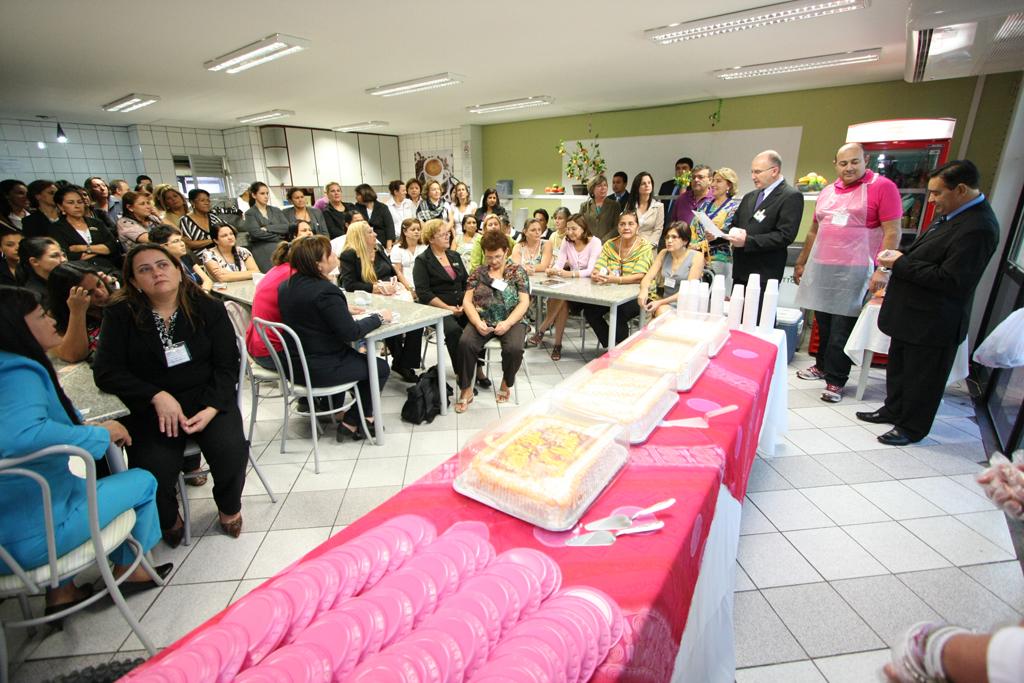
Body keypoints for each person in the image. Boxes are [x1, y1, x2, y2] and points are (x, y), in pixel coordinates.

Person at [0, 286, 170, 614]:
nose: (52, 321)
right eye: (42, 315)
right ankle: (130, 571)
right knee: (143, 481)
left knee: (71, 488)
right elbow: (22, 435)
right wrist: (98, 435)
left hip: (16, 526)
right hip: (32, 538)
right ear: (16, 326)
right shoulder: (17, 371)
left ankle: (61, 593)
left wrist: (79, 425)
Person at [93, 244, 248, 546]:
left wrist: (214, 406)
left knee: (231, 450)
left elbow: (227, 364)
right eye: (144, 269)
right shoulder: (121, 314)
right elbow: (106, 371)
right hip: (152, 407)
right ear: (135, 282)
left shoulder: (208, 308)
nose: (156, 273)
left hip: (206, 398)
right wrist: (155, 395)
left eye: (162, 265)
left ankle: (229, 508)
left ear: (178, 271)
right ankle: (169, 519)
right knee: (154, 468)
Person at [861, 159, 1000, 446]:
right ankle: (894, 409)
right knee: (900, 368)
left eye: (937, 193)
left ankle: (912, 427)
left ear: (960, 189)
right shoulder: (951, 215)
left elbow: (952, 280)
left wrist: (900, 263)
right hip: (912, 314)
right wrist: (900, 256)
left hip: (935, 319)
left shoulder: (979, 227)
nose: (932, 200)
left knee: (923, 378)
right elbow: (926, 253)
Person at [794, 143, 902, 403]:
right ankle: (821, 366)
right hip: (823, 266)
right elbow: (813, 230)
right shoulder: (828, 191)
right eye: (843, 163)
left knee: (843, 326)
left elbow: (892, 231)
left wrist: (883, 269)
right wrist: (802, 260)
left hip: (855, 269)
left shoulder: (882, 187)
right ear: (835, 165)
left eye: (854, 162)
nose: (849, 168)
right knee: (823, 322)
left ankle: (836, 380)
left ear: (866, 160)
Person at [277, 235, 392, 441]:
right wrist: (378, 317)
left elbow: (312, 314)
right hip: (320, 367)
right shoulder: (326, 291)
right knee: (380, 367)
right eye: (329, 254)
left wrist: (341, 310)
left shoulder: (286, 286)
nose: (334, 255)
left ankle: (363, 416)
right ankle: (354, 420)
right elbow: (351, 333)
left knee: (359, 360)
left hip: (294, 366)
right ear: (317, 264)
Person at [455, 230, 531, 411]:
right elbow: (467, 301)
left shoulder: (517, 272)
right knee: (465, 343)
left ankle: (507, 381)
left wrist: (508, 323)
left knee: (514, 348)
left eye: (497, 256)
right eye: (489, 257)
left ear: (506, 251)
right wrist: (476, 321)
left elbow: (524, 302)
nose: (494, 261)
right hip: (483, 318)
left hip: (512, 319)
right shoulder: (478, 272)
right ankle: (466, 388)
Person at [341, 222, 422, 383]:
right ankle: (402, 364)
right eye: (370, 232)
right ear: (360, 237)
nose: (375, 235)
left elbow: (392, 270)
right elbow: (349, 285)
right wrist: (376, 288)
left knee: (418, 322)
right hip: (370, 301)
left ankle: (403, 362)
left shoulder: (378, 248)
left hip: (393, 296)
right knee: (390, 323)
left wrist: (396, 284)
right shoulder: (349, 255)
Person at [724, 150, 804, 304]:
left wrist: (748, 241)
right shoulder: (750, 197)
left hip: (765, 272)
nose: (753, 176)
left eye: (758, 172)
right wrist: (721, 234)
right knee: (737, 318)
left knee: (760, 320)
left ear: (774, 171)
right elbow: (735, 224)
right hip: (741, 270)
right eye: (752, 172)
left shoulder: (790, 196)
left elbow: (785, 235)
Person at [530, 213, 601, 360]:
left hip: (589, 289)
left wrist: (571, 274)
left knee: (561, 297)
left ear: (584, 228)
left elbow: (591, 270)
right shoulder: (566, 241)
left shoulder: (595, 242)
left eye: (574, 229)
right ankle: (557, 345)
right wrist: (553, 270)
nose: (569, 232)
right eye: (568, 229)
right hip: (570, 286)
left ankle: (542, 329)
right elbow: (560, 263)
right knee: (562, 300)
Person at [413, 219, 478, 377]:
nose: (447, 236)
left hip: (461, 304)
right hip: (438, 308)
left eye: (448, 233)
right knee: (454, 331)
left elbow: (466, 282)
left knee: (478, 323)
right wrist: (448, 309)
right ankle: (462, 374)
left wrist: (467, 303)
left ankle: (479, 369)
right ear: (431, 238)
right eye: (442, 234)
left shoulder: (454, 255)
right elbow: (424, 293)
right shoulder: (422, 260)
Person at [582, 211, 654, 347]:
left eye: (631, 224)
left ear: (637, 227)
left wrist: (615, 280)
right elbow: (598, 267)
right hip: (611, 293)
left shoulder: (645, 247)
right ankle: (612, 346)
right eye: (622, 224)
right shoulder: (609, 245)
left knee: (618, 313)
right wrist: (597, 274)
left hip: (639, 294)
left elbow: (639, 276)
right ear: (618, 227)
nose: (626, 227)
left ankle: (620, 351)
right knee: (590, 311)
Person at [46, 262, 113, 362]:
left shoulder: (119, 301)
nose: (100, 293)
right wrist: (77, 312)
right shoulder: (53, 318)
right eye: (88, 292)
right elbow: (73, 355)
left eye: (99, 284)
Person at [638, 223, 705, 317]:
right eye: (667, 237)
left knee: (659, 315)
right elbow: (647, 278)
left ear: (685, 241)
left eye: (674, 237)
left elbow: (688, 290)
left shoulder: (697, 256)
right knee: (658, 313)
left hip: (687, 304)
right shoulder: (663, 253)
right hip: (665, 304)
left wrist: (660, 302)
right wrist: (644, 290)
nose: (669, 240)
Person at [49, 185, 120, 271]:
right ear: (60, 206)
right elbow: (68, 256)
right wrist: (101, 250)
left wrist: (82, 248)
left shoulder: (96, 223)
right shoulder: (56, 228)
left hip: (110, 268)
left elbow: (113, 247)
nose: (77, 206)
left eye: (80, 202)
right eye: (71, 203)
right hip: (80, 272)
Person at [695, 168, 742, 289]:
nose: (713, 185)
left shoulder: (733, 208)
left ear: (729, 185)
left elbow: (728, 233)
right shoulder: (704, 205)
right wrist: (698, 249)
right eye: (713, 181)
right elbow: (694, 228)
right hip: (698, 254)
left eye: (719, 181)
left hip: (719, 258)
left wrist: (714, 236)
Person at [241, 181, 291, 271]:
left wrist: (268, 228)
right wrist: (278, 236)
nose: (266, 196)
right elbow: (256, 233)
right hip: (262, 247)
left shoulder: (276, 210)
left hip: (280, 245)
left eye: (267, 193)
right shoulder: (250, 213)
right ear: (254, 195)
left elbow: (286, 227)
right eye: (262, 193)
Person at [149, 224, 213, 292]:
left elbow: (207, 280)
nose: (182, 244)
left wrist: (205, 291)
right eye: (176, 241)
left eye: (181, 240)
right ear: (163, 247)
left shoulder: (185, 257)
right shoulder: (161, 269)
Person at [668, 165, 712, 244]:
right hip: (683, 247)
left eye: (700, 177)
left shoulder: (715, 199)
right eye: (693, 177)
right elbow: (673, 223)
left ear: (710, 180)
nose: (696, 180)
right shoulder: (682, 199)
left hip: (708, 249)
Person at [17, 236, 65, 304]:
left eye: (63, 255)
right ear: (34, 261)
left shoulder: (62, 282)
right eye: (54, 256)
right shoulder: (33, 295)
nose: (63, 260)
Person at [625, 171, 665, 247]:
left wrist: (647, 246)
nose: (647, 185)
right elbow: (625, 224)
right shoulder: (630, 205)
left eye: (649, 183)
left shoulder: (659, 206)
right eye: (643, 183)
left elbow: (658, 230)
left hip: (649, 247)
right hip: (631, 245)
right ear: (637, 187)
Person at [353, 183, 396, 250]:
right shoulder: (356, 207)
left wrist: (389, 248)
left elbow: (389, 228)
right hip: (363, 244)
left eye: (358, 195)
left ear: (365, 194)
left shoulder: (382, 207)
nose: (356, 197)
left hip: (382, 244)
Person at [580, 175, 622, 242]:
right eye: (599, 186)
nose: (603, 188)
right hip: (588, 243)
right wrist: (589, 239)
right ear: (592, 189)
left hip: (608, 244)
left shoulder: (615, 205)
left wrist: (602, 241)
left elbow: (617, 227)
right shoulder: (584, 206)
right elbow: (580, 226)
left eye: (605, 185)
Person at [390, 217, 425, 295]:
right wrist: (410, 289)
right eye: (413, 230)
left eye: (418, 229)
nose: (416, 232)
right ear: (405, 232)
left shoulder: (425, 246)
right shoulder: (397, 248)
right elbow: (398, 272)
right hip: (405, 286)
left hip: (424, 285)